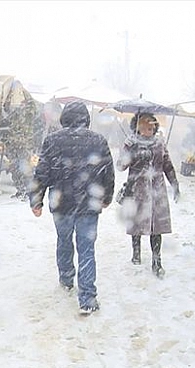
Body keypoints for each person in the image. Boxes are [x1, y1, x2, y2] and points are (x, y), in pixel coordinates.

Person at [29, 101, 115, 314]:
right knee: (87, 248)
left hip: (61, 203)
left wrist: (36, 199)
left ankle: (66, 278)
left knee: (64, 241)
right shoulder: (99, 141)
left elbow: (42, 172)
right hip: (89, 204)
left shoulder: (52, 141)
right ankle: (87, 298)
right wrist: (107, 196)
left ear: (64, 118)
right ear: (86, 119)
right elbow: (108, 172)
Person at [117, 112, 180, 279]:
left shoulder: (159, 143)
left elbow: (167, 165)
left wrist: (175, 184)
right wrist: (129, 150)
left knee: (156, 226)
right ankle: (136, 253)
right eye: (146, 125)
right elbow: (120, 166)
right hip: (137, 188)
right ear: (138, 127)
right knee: (136, 222)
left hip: (156, 189)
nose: (150, 128)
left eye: (152, 125)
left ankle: (156, 261)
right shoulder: (131, 143)